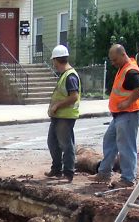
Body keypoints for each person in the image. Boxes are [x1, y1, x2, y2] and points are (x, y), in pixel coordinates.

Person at [94, 44, 139, 188]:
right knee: (109, 140)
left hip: (128, 114)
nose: (113, 63)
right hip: (119, 116)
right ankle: (104, 172)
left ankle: (128, 179)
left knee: (126, 147)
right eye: (112, 60)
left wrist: (128, 102)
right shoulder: (123, 68)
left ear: (123, 55)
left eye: (115, 60)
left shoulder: (130, 71)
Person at [45, 44, 81, 183]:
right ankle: (56, 169)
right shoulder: (65, 75)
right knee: (52, 142)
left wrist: (57, 105)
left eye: (53, 60)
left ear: (56, 60)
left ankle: (68, 172)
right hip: (58, 116)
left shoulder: (70, 76)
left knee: (66, 144)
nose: (53, 63)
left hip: (66, 116)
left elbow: (74, 96)